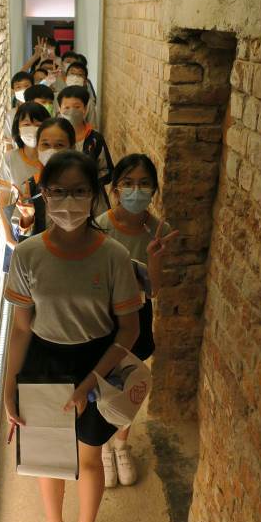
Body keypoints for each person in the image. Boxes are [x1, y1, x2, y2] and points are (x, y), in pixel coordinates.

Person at [4, 150, 142, 522]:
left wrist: (88, 384)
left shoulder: (113, 256)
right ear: (43, 194)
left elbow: (128, 331)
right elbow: (22, 330)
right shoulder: (27, 256)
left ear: (95, 196)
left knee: (88, 456)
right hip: (46, 362)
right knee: (49, 458)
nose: (68, 202)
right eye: (58, 192)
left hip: (98, 363)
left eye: (79, 192)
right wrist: (10, 386)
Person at [96, 154, 179, 487]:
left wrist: (152, 260)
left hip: (138, 317)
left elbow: (154, 290)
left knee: (130, 381)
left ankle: (121, 444)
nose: (136, 189)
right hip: (101, 318)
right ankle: (101, 444)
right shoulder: (99, 226)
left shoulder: (160, 231)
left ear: (154, 190)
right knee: (101, 379)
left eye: (144, 183)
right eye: (128, 183)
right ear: (115, 190)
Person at [0, 103, 50, 268]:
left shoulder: (53, 157)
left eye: (38, 125)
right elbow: (3, 200)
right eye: (26, 125)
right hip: (23, 228)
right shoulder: (10, 159)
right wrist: (8, 237)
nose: (32, 129)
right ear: (17, 128)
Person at [14, 117, 76, 237]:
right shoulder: (29, 187)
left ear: (72, 148)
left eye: (59, 145)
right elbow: (21, 239)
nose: (51, 151)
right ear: (37, 148)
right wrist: (28, 218)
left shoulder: (84, 185)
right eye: (45, 144)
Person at [57, 86, 113, 211]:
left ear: (85, 109)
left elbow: (107, 171)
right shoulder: (54, 139)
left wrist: (87, 182)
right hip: (60, 201)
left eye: (77, 107)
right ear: (59, 109)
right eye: (66, 107)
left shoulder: (94, 139)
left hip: (93, 202)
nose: (72, 111)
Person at [6, 72, 34, 146]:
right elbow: (8, 142)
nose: (23, 89)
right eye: (18, 87)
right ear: (13, 90)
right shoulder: (10, 115)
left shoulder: (40, 110)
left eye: (26, 86)